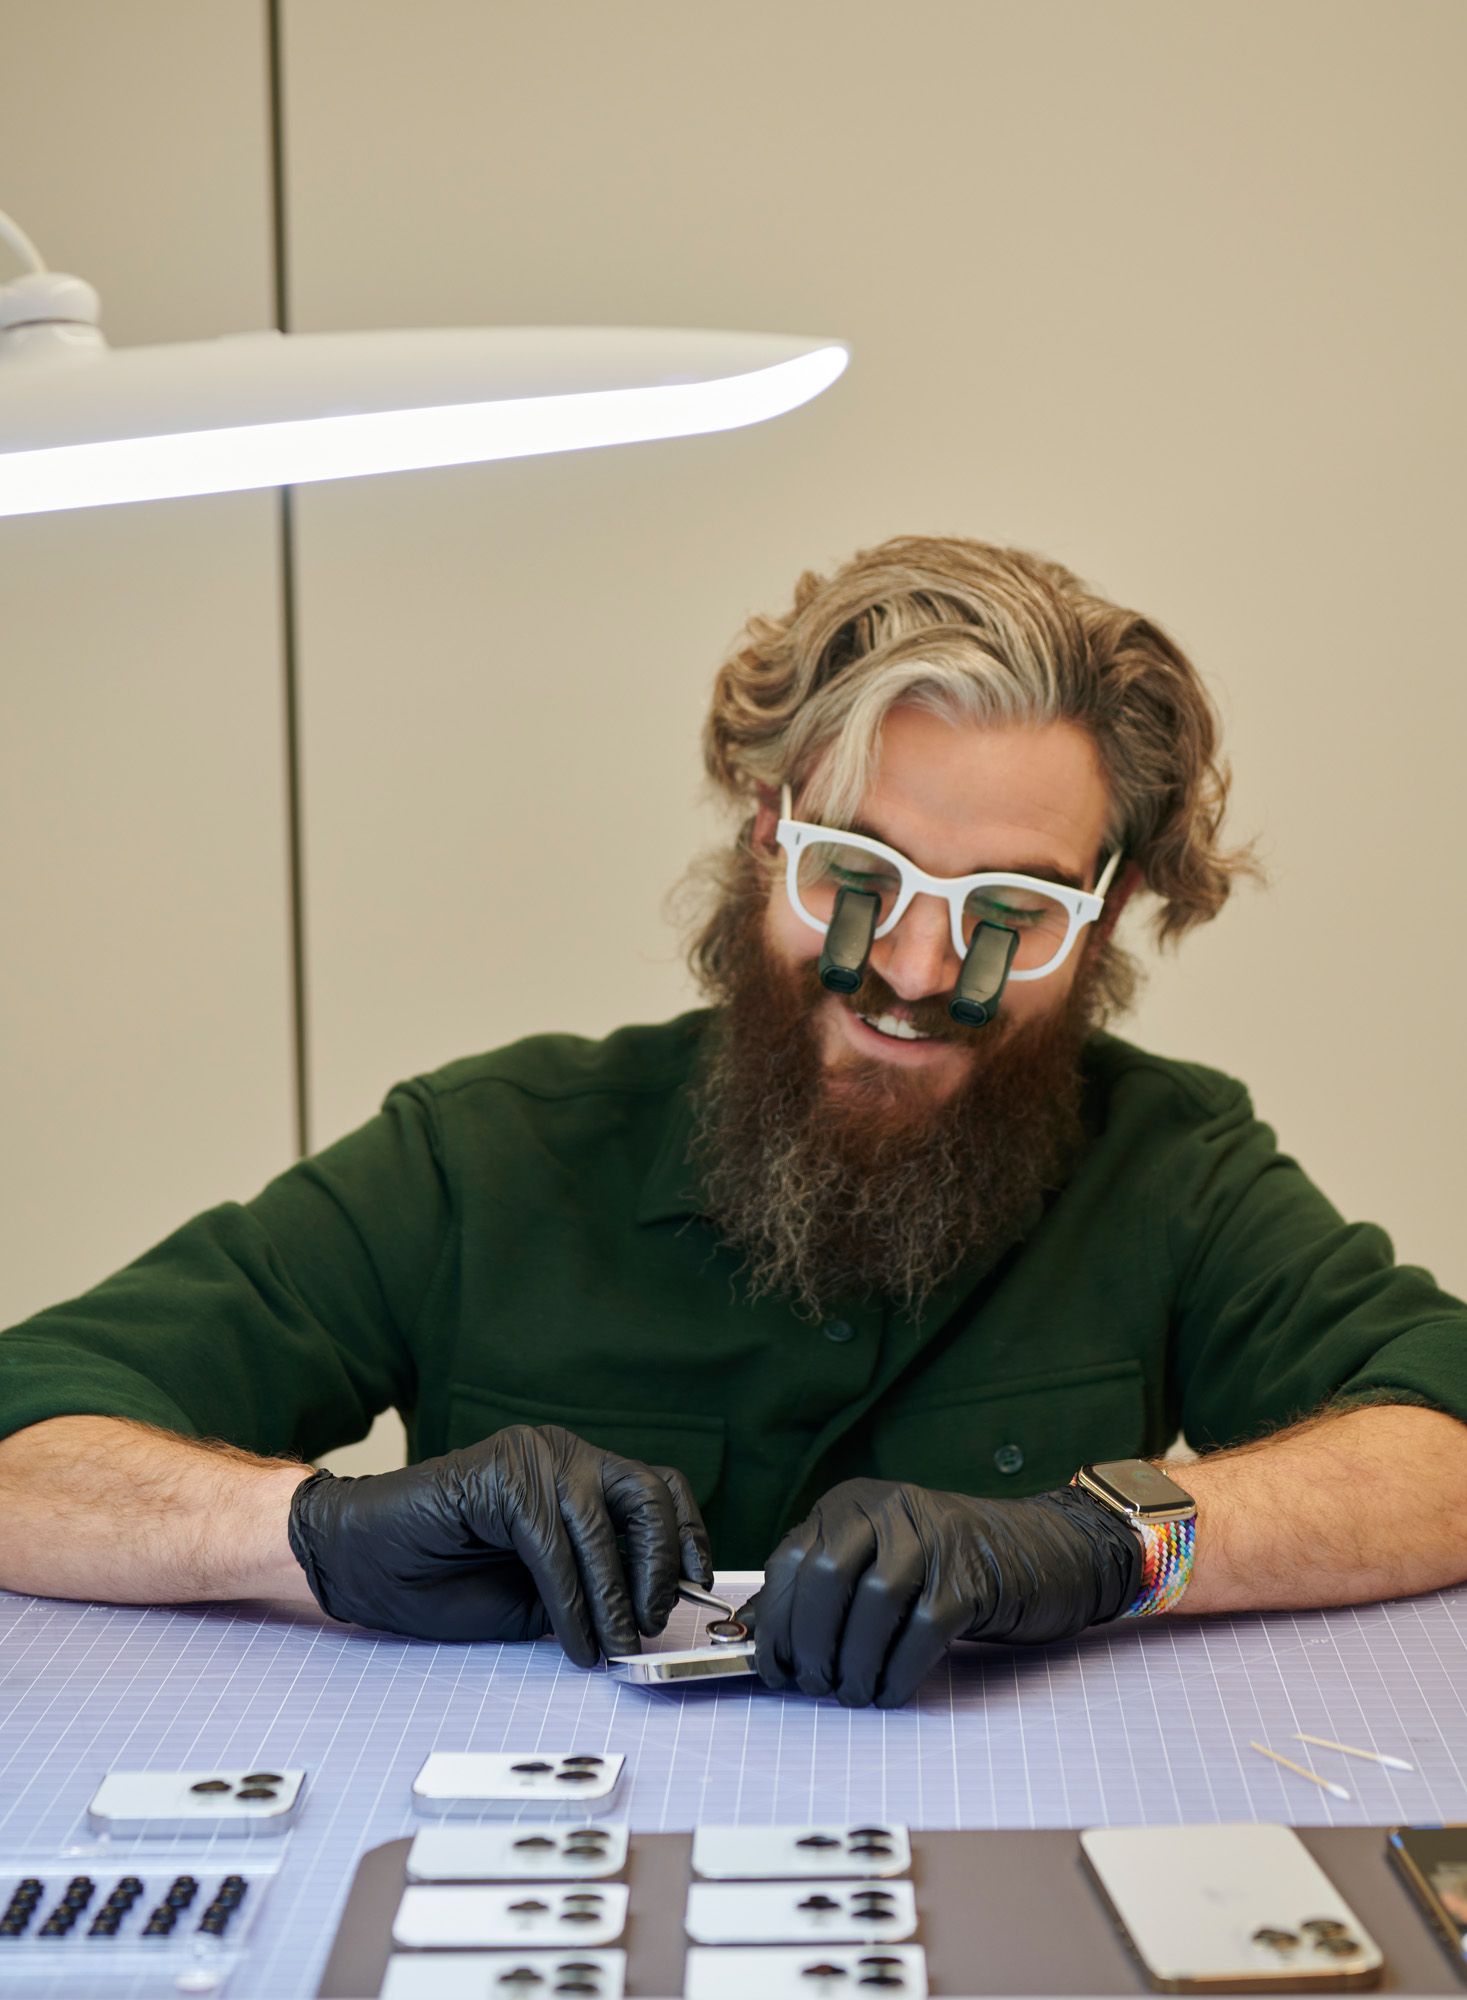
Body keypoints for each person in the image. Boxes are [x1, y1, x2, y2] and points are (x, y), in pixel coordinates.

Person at [2, 535, 1465, 1710]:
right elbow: (27, 1446)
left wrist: (1109, 1546)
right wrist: (316, 1535)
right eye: (854, 873)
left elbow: (1445, 1451)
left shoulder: (1173, 1168)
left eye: (1010, 912)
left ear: (1115, 911)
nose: (909, 971)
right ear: (767, 830)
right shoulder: (484, 1154)